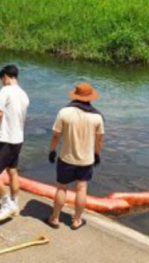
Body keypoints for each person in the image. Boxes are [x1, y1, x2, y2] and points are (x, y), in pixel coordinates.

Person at [45, 82, 104, 231]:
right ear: (91, 98)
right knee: (82, 188)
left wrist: (52, 150)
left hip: (66, 158)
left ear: (75, 96)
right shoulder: (97, 117)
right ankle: (77, 220)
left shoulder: (64, 112)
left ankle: (55, 218)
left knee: (61, 189)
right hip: (86, 160)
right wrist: (97, 154)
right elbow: (99, 140)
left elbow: (55, 136)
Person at [0, 64, 30, 223]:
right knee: (12, 171)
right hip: (18, 140)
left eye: (2, 80)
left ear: (6, 77)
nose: (2, 83)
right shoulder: (24, 94)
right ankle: (15, 203)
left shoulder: (6, 90)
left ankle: (6, 203)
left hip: (6, 140)